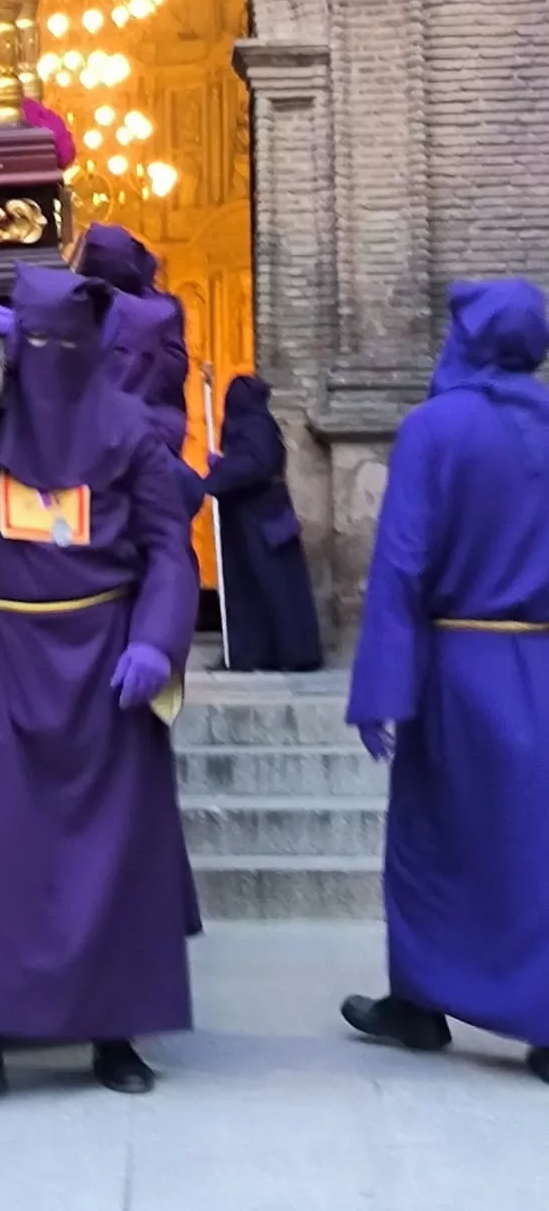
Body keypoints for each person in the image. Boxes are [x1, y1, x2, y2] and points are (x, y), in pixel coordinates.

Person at [0, 268, 200, 1105]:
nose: (48, 359)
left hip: (102, 663)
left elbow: (169, 547)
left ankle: (116, 1032)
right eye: (34, 341)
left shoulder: (128, 429)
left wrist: (157, 641)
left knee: (113, 854)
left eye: (61, 343)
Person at [342, 279, 549, 1083]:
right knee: (535, 844)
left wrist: (382, 690)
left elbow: (402, 564)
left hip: (459, 668)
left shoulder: (434, 428)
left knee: (431, 841)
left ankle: (419, 1003)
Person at [203, 376, 322, 672]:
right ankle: (271, 652)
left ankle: (268, 653)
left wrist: (218, 475)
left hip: (258, 520)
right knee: (269, 587)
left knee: (267, 588)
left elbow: (254, 465)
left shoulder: (252, 425)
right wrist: (223, 466)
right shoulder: (260, 424)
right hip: (265, 516)